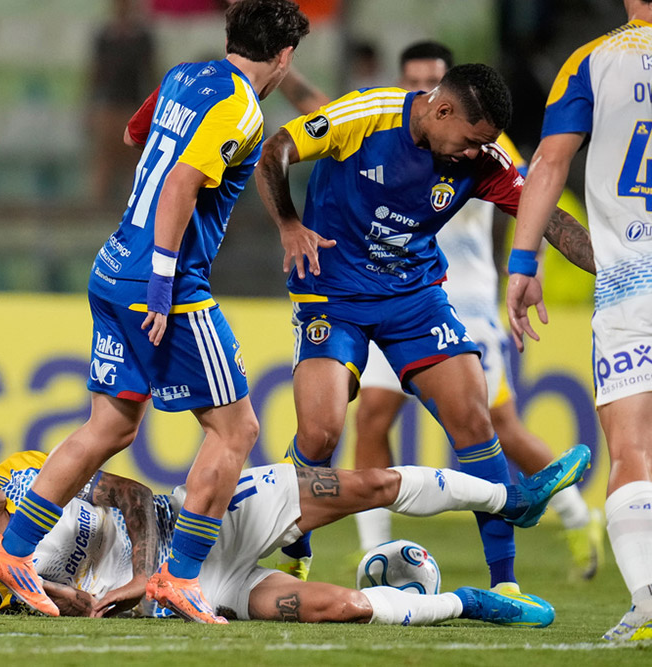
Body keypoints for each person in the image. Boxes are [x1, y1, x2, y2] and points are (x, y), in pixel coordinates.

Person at [0, 0, 310, 624]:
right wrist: (161, 282)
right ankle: (179, 580)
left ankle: (12, 552)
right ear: (284, 57)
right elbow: (181, 184)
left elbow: (134, 132)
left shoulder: (184, 75)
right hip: (167, 281)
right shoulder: (242, 108)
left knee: (111, 427)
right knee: (236, 431)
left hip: (111, 263)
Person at [254, 62, 596, 597]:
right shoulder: (367, 116)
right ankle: (295, 548)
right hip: (332, 294)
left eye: (482, 145)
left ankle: (504, 586)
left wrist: (618, 268)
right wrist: (290, 225)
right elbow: (275, 150)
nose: (471, 154)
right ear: (441, 109)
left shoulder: (484, 157)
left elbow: (547, 214)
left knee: (474, 419)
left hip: (413, 298)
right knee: (320, 433)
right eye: (468, 140)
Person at [351, 41, 603, 582]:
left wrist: (526, 265)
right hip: (393, 291)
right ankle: (375, 551)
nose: (421, 82)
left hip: (466, 297)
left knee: (497, 427)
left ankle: (577, 515)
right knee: (371, 415)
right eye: (414, 75)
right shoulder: (389, 127)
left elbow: (529, 198)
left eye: (432, 74)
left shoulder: (482, 139)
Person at [0, 444, 591, 625]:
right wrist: (67, 589)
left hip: (201, 523)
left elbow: (131, 496)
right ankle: (474, 603)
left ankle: (514, 498)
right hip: (201, 589)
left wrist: (147, 571)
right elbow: (70, 609)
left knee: (369, 484)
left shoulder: (27, 473)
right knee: (342, 607)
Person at [505, 0, 652, 642]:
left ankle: (648, 600)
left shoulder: (590, 62)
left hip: (630, 286)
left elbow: (548, 165)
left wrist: (523, 260)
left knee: (632, 450)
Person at [88, 0, 158, 205]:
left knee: (133, 163)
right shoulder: (104, 37)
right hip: (109, 106)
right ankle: (95, 212)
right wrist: (91, 107)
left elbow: (150, 73)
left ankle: (131, 211)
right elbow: (95, 73)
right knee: (104, 161)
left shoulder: (143, 38)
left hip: (132, 105)